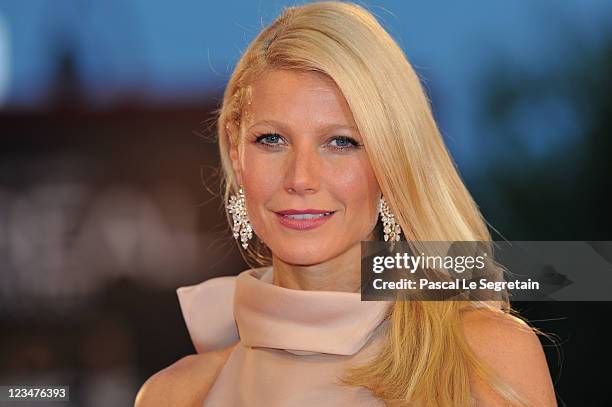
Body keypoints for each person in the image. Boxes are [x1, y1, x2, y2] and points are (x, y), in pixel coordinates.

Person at [135, 2, 557, 406]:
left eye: (341, 142)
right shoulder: (175, 394)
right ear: (235, 148)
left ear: (391, 162)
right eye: (272, 140)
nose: (301, 178)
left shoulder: (486, 359)